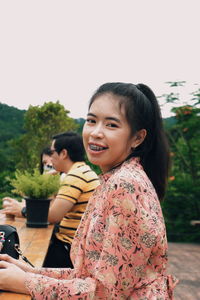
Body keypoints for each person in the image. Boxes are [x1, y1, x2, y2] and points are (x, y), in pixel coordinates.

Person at [0, 82, 178, 299]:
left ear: (137, 138)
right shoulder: (114, 178)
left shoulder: (125, 185)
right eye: (91, 121)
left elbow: (107, 293)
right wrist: (31, 271)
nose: (96, 133)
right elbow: (90, 276)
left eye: (111, 125)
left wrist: (26, 282)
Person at [42, 131, 100, 268]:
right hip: (76, 245)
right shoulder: (82, 171)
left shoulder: (76, 176)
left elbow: (52, 216)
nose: (51, 158)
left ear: (63, 153)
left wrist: (21, 210)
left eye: (52, 153)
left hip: (70, 247)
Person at [1, 146, 54, 218]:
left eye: (52, 161)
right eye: (44, 163)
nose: (48, 165)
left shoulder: (65, 181)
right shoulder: (44, 187)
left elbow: (48, 214)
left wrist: (23, 210)